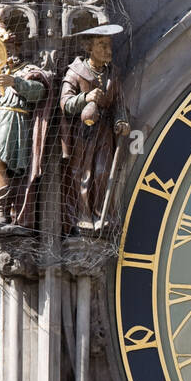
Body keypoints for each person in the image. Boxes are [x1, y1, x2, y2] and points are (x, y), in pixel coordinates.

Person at [0, 13, 55, 231]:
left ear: (15, 47)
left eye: (4, 48)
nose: (1, 54)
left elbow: (40, 92)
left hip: (16, 124)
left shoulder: (27, 71)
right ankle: (4, 213)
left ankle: (2, 213)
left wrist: (14, 82)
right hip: (1, 123)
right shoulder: (1, 76)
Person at [61, 23, 130, 230]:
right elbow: (65, 103)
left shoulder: (112, 74)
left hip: (104, 132)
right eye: (102, 45)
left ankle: (101, 213)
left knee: (102, 172)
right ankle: (83, 214)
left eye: (109, 45)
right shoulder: (76, 72)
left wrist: (120, 120)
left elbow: (119, 103)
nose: (108, 50)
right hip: (83, 133)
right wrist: (85, 97)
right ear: (89, 48)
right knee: (82, 174)